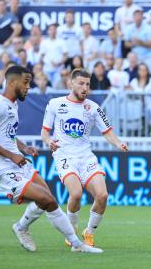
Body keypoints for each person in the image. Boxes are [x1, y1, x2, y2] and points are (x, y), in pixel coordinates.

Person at [0, 66, 102, 253]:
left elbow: (6, 135)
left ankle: (21, 227)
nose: (29, 87)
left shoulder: (13, 104)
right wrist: (13, 155)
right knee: (47, 200)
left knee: (47, 198)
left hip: (18, 163)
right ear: (12, 82)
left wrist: (23, 148)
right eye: (26, 82)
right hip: (2, 168)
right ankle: (77, 244)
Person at [41, 69, 128, 248]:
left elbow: (108, 132)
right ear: (70, 84)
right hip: (64, 155)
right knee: (76, 193)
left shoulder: (93, 107)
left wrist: (118, 144)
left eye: (87, 84)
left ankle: (88, 232)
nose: (85, 87)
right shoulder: (55, 104)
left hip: (86, 156)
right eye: (81, 83)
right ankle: (71, 233)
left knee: (103, 195)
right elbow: (44, 132)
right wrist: (49, 141)